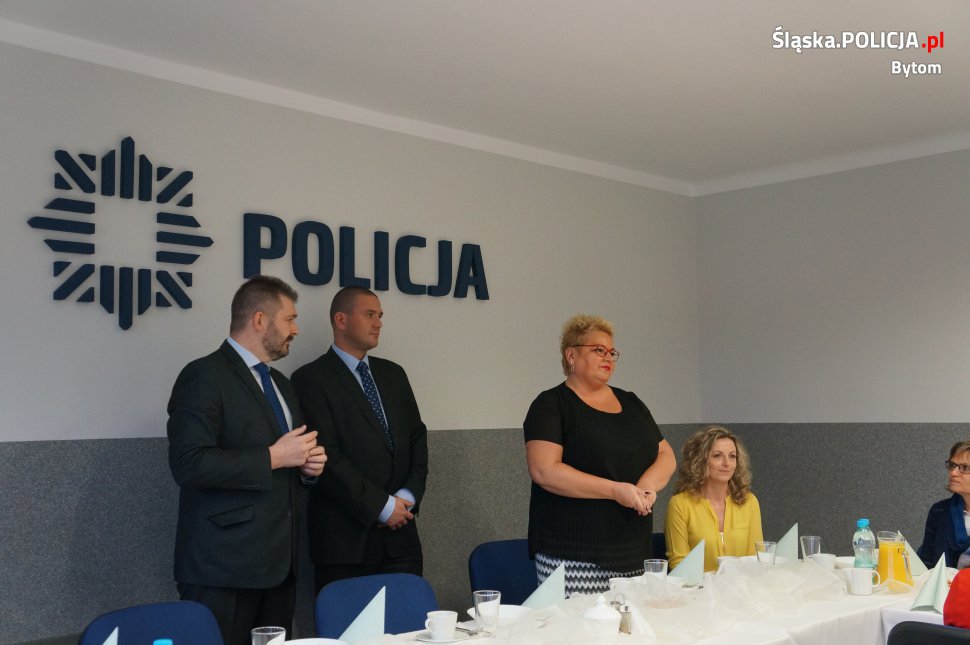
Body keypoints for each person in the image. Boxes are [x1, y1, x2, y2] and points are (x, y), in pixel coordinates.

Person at [167, 275, 326, 645]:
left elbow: (289, 458)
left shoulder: (281, 384)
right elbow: (188, 463)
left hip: (280, 566)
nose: (296, 329)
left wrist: (307, 467)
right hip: (222, 569)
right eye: (289, 319)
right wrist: (272, 457)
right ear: (259, 320)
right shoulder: (204, 375)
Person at [524, 314, 676, 594]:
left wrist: (646, 487)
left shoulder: (631, 402)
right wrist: (615, 491)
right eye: (598, 350)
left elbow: (666, 455)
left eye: (612, 352)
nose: (608, 358)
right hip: (574, 555)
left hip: (632, 551)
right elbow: (545, 471)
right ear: (571, 355)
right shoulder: (551, 405)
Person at [292, 286, 428, 594]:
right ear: (341, 320)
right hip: (345, 543)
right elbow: (326, 456)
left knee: (407, 620)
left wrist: (407, 496)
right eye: (369, 315)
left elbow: (417, 438)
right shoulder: (310, 379)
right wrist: (383, 506)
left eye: (380, 315)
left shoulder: (394, 374)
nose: (378, 323)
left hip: (401, 538)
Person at [664, 425, 762, 572]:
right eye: (717, 456)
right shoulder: (679, 504)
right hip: (697, 585)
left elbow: (755, 558)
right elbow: (679, 564)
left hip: (741, 584)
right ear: (700, 461)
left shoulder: (750, 502)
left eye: (732, 456)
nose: (727, 463)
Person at [917, 440, 970, 569]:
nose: (953, 473)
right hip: (943, 582)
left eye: (964, 467)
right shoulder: (939, 511)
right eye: (952, 465)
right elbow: (927, 563)